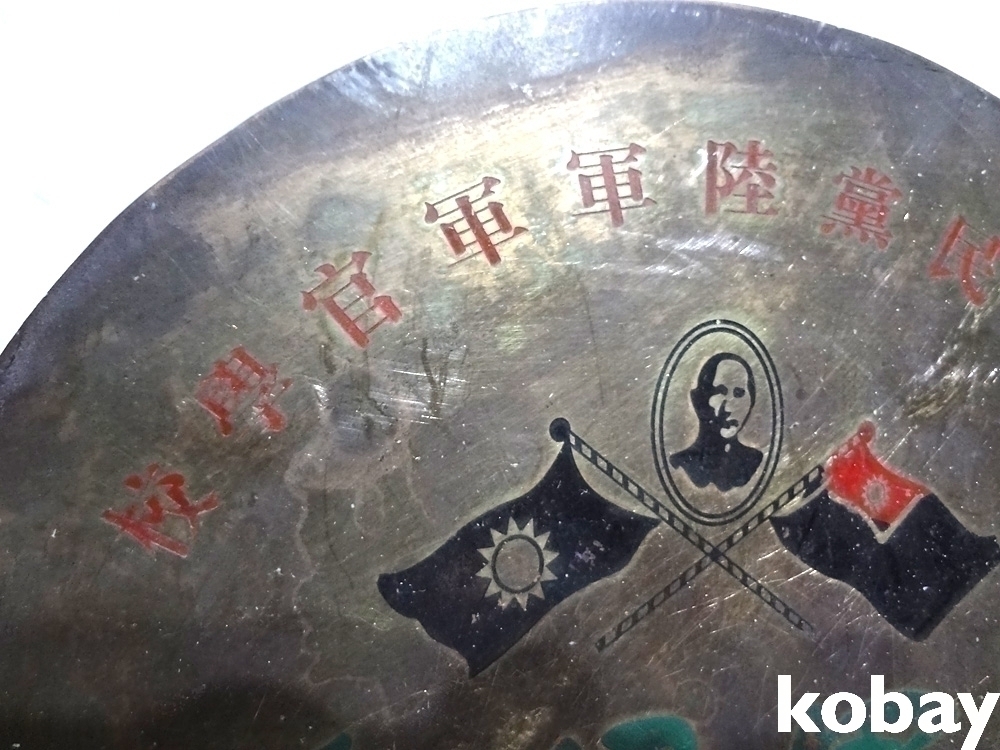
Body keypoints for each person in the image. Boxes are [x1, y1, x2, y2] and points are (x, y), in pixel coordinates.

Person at [669, 352, 763, 491]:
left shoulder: (755, 459)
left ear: (751, 403)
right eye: (720, 392)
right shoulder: (681, 462)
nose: (729, 406)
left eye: (739, 394)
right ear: (698, 399)